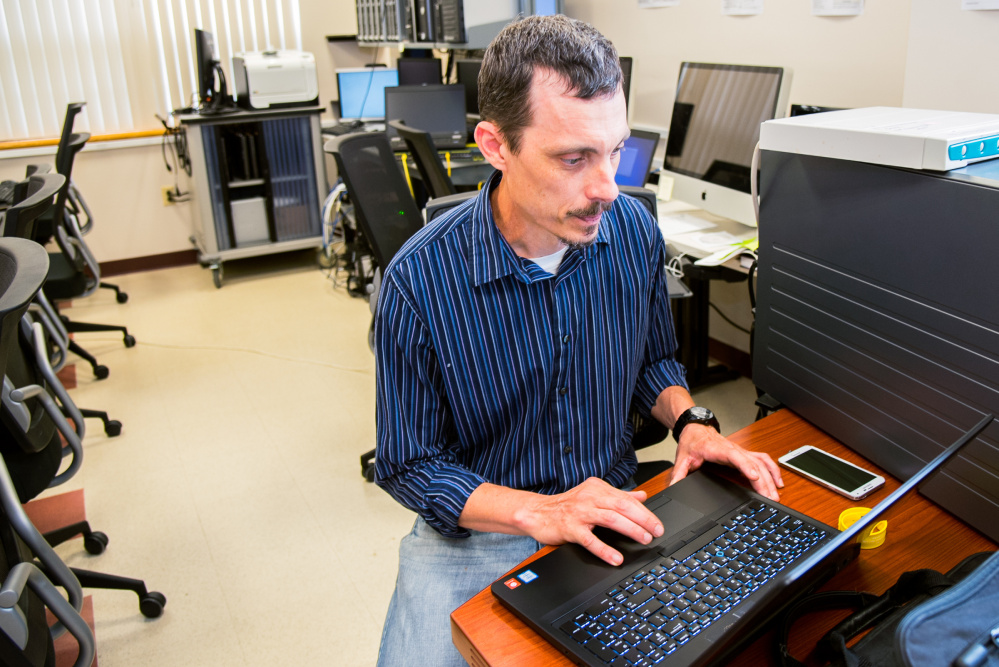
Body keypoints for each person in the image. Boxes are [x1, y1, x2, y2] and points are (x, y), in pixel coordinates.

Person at [372, 14, 783, 666]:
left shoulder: (632, 235)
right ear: (494, 144)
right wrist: (539, 512)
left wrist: (692, 421)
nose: (606, 188)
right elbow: (408, 463)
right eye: (573, 158)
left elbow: (652, 360)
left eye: (614, 150)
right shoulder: (419, 282)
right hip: (479, 528)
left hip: (612, 509)